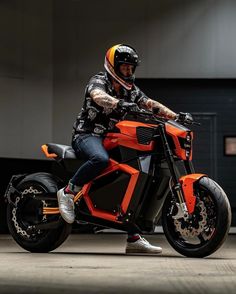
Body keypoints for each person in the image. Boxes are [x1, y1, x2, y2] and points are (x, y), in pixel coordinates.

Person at [57, 44, 192, 254]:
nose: (128, 71)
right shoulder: (100, 80)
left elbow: (150, 104)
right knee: (100, 160)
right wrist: (118, 103)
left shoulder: (131, 90)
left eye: (131, 68)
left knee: (135, 176)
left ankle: (134, 237)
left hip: (112, 137)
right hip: (88, 135)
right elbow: (97, 95)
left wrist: (175, 116)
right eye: (125, 67)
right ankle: (68, 191)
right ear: (113, 66)